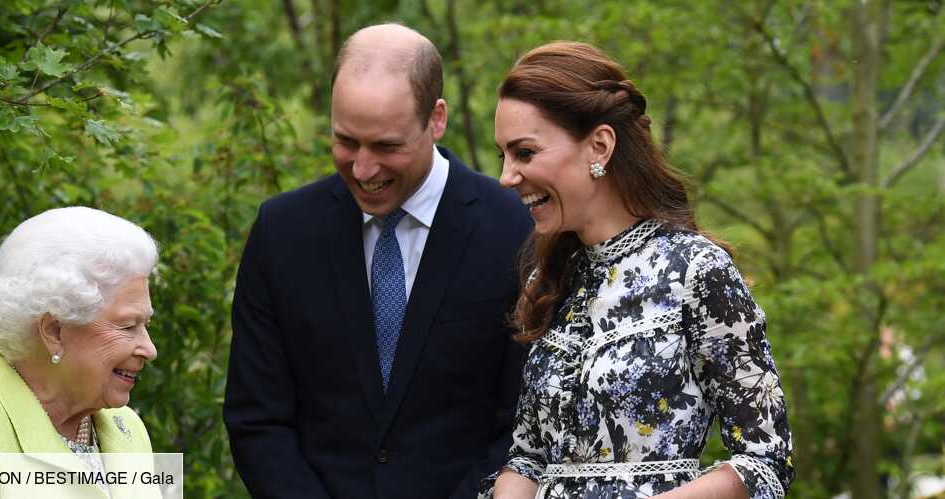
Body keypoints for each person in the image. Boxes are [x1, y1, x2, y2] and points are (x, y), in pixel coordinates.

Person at [224, 23, 532, 499]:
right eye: (346, 142)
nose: (363, 169)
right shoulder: (282, 232)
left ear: (436, 119)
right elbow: (257, 419)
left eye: (386, 146)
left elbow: (523, 425)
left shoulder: (516, 230)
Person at [483, 42, 793, 499]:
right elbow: (529, 456)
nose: (507, 176)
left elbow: (765, 460)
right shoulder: (548, 281)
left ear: (600, 145)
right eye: (502, 156)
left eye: (524, 153)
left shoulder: (697, 271)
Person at [0, 207, 160, 492]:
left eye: (145, 324)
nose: (149, 349)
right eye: (127, 326)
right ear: (54, 331)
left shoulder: (125, 426)